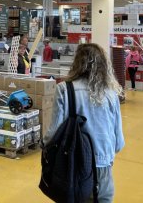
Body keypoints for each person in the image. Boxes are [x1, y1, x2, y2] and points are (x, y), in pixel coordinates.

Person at [43, 43, 124, 202]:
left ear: (77, 63)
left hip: (72, 167)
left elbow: (53, 134)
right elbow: (119, 143)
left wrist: (44, 144)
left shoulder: (64, 89)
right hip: (103, 167)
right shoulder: (111, 94)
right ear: (103, 65)